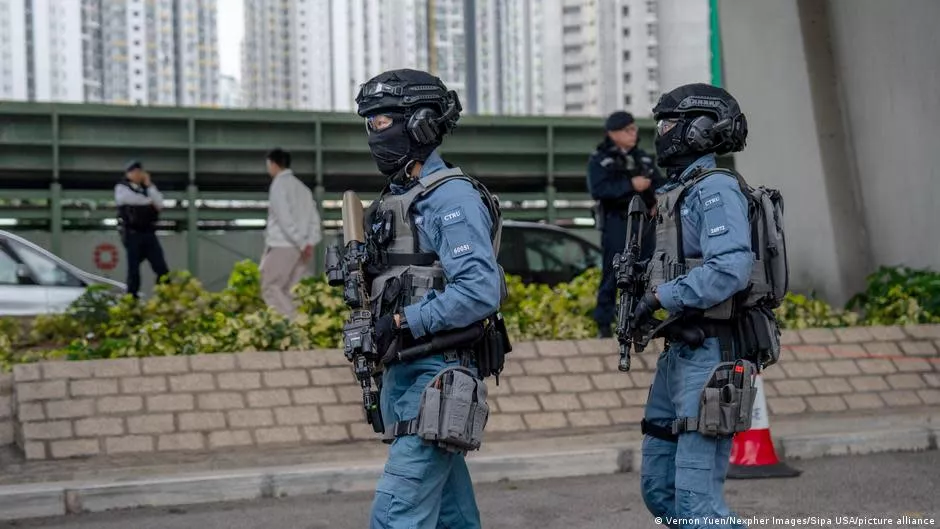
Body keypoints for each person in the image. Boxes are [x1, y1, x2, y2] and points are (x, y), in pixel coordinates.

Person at [355, 69, 504, 529]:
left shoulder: (450, 197)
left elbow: (479, 290)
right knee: (452, 520)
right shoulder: (398, 198)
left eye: (382, 121)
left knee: (394, 516)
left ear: (419, 124)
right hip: (406, 374)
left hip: (437, 376)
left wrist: (401, 322)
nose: (373, 132)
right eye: (369, 123)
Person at [630, 83, 754, 528]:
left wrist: (660, 297)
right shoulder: (679, 191)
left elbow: (730, 269)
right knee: (661, 491)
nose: (661, 133)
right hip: (681, 348)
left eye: (669, 124)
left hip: (712, 349)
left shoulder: (715, 188)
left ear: (699, 129)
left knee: (697, 506)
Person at [587, 111, 665, 338]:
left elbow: (660, 183)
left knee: (645, 271)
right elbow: (599, 190)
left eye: (634, 129)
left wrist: (658, 200)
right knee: (614, 272)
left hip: (645, 223)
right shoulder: (601, 160)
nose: (634, 134)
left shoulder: (643, 158)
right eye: (628, 130)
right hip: (617, 222)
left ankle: (639, 320)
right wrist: (631, 185)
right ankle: (604, 324)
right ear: (613, 133)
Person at [260, 148, 322, 319]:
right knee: (291, 290)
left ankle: (291, 325)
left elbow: (284, 218)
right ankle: (303, 324)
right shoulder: (303, 188)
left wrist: (301, 242)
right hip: (302, 247)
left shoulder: (279, 185)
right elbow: (314, 219)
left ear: (273, 164)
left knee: (271, 287)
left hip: (284, 244)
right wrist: (309, 242)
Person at [115, 160, 169, 298]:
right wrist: (150, 202)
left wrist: (149, 186)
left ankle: (164, 296)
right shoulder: (122, 187)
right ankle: (132, 298)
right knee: (133, 271)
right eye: (134, 172)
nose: (138, 175)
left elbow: (160, 203)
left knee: (161, 268)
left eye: (140, 172)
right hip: (132, 234)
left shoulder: (148, 188)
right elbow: (130, 200)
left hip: (149, 233)